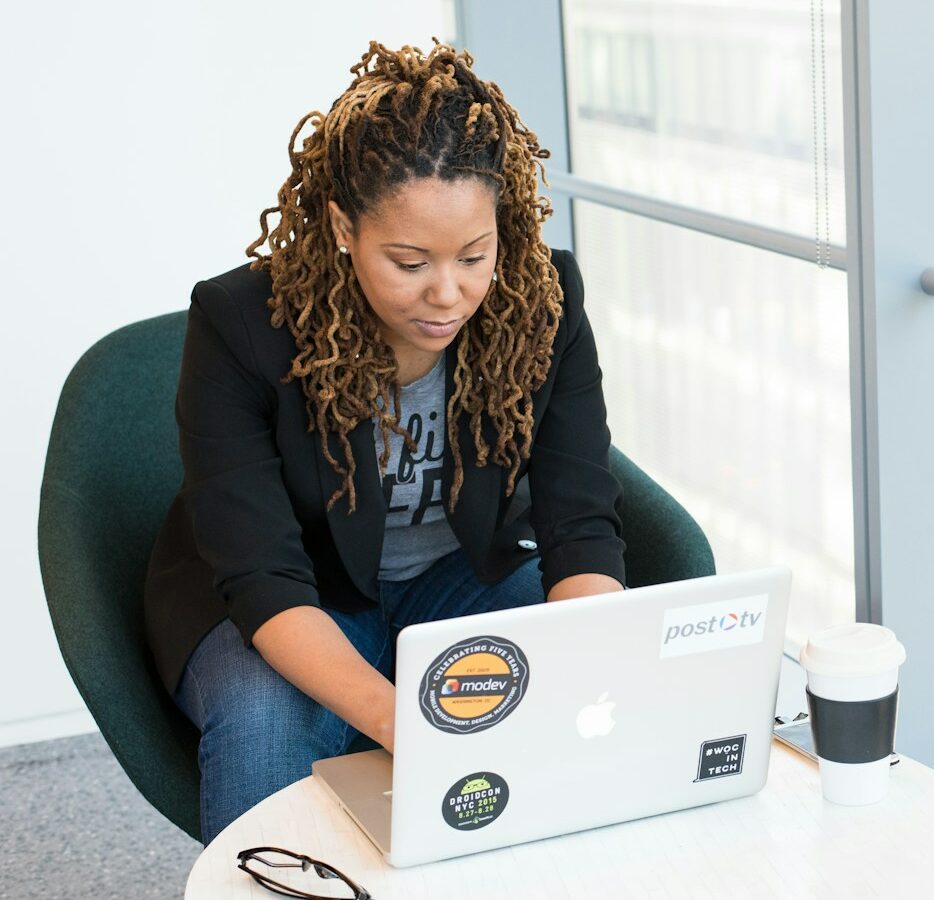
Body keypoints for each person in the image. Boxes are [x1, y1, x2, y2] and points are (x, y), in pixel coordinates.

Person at [142, 38, 626, 845]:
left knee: (586, 695)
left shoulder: (544, 300)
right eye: (409, 262)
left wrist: (592, 664)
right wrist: (407, 721)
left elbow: (581, 523)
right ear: (342, 226)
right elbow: (262, 573)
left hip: (456, 578)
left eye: (475, 255)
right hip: (297, 595)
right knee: (268, 722)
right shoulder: (240, 326)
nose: (449, 293)